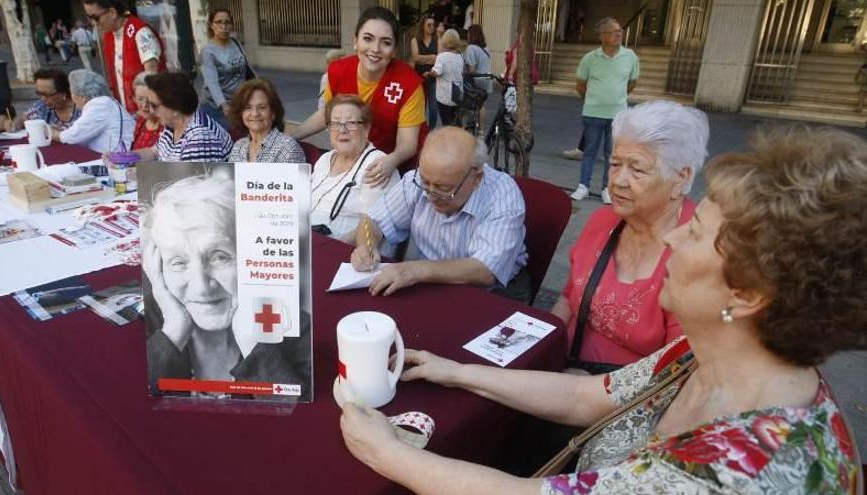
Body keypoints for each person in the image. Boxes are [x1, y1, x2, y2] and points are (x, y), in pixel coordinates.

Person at [340, 125, 866, 494]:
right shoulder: (709, 355)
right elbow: (588, 394)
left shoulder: (736, 471)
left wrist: (390, 455)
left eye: (697, 232)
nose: (676, 235)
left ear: (748, 293)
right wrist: (453, 371)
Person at [552, 100, 708, 374]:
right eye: (614, 164)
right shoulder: (603, 220)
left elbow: (677, 374)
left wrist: (581, 389)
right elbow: (567, 299)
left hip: (625, 401)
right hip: (562, 370)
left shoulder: (697, 250)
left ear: (681, 178)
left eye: (637, 169)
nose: (618, 181)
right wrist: (538, 348)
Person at [142, 172, 311, 398]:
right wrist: (173, 332)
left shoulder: (294, 328)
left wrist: (253, 345)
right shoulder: (151, 326)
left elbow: (301, 420)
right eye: (178, 262)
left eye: (219, 257)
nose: (202, 287)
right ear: (158, 270)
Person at [350, 126, 529, 302]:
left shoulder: (502, 194)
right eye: (426, 182)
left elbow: (486, 270)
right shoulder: (418, 180)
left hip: (493, 293)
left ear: (476, 178)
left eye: (444, 189)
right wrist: (367, 245)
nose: (431, 194)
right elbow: (371, 219)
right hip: (431, 281)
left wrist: (415, 270)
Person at [292, 7, 427, 186]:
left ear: (394, 50)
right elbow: (326, 114)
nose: (375, 49)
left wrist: (391, 160)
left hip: (399, 166)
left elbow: (408, 142)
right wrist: (292, 137)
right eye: (367, 39)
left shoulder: (409, 83)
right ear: (355, 41)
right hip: (356, 161)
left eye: (386, 42)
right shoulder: (338, 71)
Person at [311, 95, 399, 249]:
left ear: (366, 129)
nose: (342, 130)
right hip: (305, 244)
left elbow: (372, 225)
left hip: (343, 251)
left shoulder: (377, 164)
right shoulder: (325, 159)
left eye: (351, 123)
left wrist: (329, 247)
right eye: (336, 123)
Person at [568, 17, 639, 205]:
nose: (618, 34)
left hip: (618, 115)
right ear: (602, 36)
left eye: (620, 31)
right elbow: (580, 85)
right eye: (613, 32)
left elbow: (632, 83)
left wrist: (616, 99)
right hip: (593, 113)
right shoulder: (590, 58)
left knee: (612, 154)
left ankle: (607, 189)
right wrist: (593, 100)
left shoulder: (630, 56)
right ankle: (583, 186)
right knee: (589, 151)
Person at [83, 0, 167, 114]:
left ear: (112, 12)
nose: (93, 23)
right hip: (125, 109)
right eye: (89, 18)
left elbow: (151, 74)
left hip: (147, 112)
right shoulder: (109, 35)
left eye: (95, 18)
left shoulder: (141, 32)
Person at [133, 72, 232, 162]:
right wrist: (126, 157)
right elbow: (154, 152)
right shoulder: (173, 125)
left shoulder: (199, 138)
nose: (150, 110)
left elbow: (193, 180)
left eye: (154, 105)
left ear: (175, 107)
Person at [51, 69, 134, 153]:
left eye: (72, 94)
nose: (72, 99)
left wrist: (51, 133)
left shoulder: (100, 105)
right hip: (115, 156)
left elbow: (72, 137)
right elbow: (82, 132)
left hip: (119, 159)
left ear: (82, 97)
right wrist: (61, 131)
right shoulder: (103, 103)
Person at [227, 78, 305, 163]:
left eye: (262, 107)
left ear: (273, 112)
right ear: (240, 113)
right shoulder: (238, 147)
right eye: (248, 108)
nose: (255, 113)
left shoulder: (288, 148)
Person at [200, 8, 253, 128]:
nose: (223, 26)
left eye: (227, 22)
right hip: (217, 107)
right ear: (211, 25)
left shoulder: (235, 42)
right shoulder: (208, 51)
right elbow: (212, 82)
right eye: (218, 22)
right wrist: (224, 105)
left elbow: (247, 69)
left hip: (239, 102)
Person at [7, 69, 81, 132]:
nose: (42, 98)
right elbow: (24, 117)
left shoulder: (81, 109)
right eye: (39, 93)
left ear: (63, 93)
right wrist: (16, 123)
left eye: (47, 94)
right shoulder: (42, 106)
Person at [429, 29, 464, 126]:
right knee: (455, 122)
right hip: (457, 94)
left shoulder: (442, 57)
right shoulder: (460, 56)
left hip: (445, 96)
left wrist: (429, 73)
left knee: (446, 122)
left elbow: (437, 72)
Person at [411, 15, 438, 129]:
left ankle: (431, 130)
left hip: (433, 77)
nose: (432, 27)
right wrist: (432, 57)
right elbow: (416, 58)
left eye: (433, 25)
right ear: (423, 26)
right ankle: (421, 130)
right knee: (421, 107)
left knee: (433, 108)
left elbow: (439, 58)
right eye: (429, 25)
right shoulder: (415, 40)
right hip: (419, 77)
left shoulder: (437, 40)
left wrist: (424, 59)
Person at [463, 25, 492, 130]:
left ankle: (467, 127)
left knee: (469, 105)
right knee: (482, 106)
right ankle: (481, 131)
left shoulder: (471, 48)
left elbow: (472, 69)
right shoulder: (486, 49)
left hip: (476, 80)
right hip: (487, 79)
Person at [131, 72, 164, 149]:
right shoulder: (141, 122)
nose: (145, 105)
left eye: (149, 99)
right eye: (140, 99)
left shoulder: (167, 126)